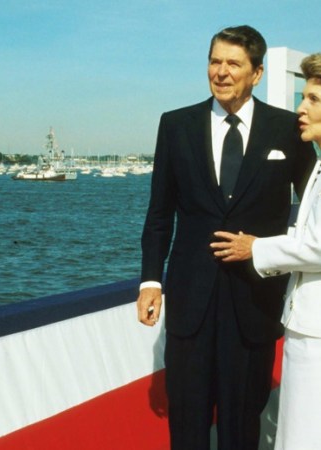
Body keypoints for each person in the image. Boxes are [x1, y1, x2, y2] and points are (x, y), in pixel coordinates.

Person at [136, 25, 316, 450]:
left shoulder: (287, 128)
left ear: (257, 73)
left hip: (255, 301)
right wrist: (150, 281)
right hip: (190, 303)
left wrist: (273, 251)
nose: (221, 72)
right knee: (188, 421)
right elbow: (159, 214)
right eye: (214, 61)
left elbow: (314, 203)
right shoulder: (176, 125)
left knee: (242, 423)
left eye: (233, 63)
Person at [211, 53, 321, 450]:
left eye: (313, 99)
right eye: (303, 97)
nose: (300, 109)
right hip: (305, 323)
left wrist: (256, 248)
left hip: (315, 330)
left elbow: (318, 246)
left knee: (304, 433)